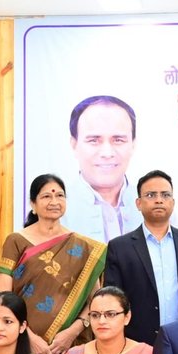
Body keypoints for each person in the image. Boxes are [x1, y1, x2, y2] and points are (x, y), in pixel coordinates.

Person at [0, 172, 107, 354]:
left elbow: (95, 300)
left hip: (69, 346)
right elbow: (2, 296)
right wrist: (28, 337)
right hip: (21, 341)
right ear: (33, 204)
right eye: (46, 196)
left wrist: (73, 331)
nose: (54, 201)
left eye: (60, 195)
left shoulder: (84, 248)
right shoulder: (16, 241)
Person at [103, 169, 178, 346]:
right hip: (137, 343)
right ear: (138, 203)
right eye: (151, 195)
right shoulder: (119, 247)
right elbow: (112, 300)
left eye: (165, 195)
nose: (159, 200)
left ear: (172, 202)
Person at [61, 95, 142, 243]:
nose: (107, 153)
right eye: (94, 140)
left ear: (133, 144)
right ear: (74, 145)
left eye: (118, 140)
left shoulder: (154, 204)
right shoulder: (55, 210)